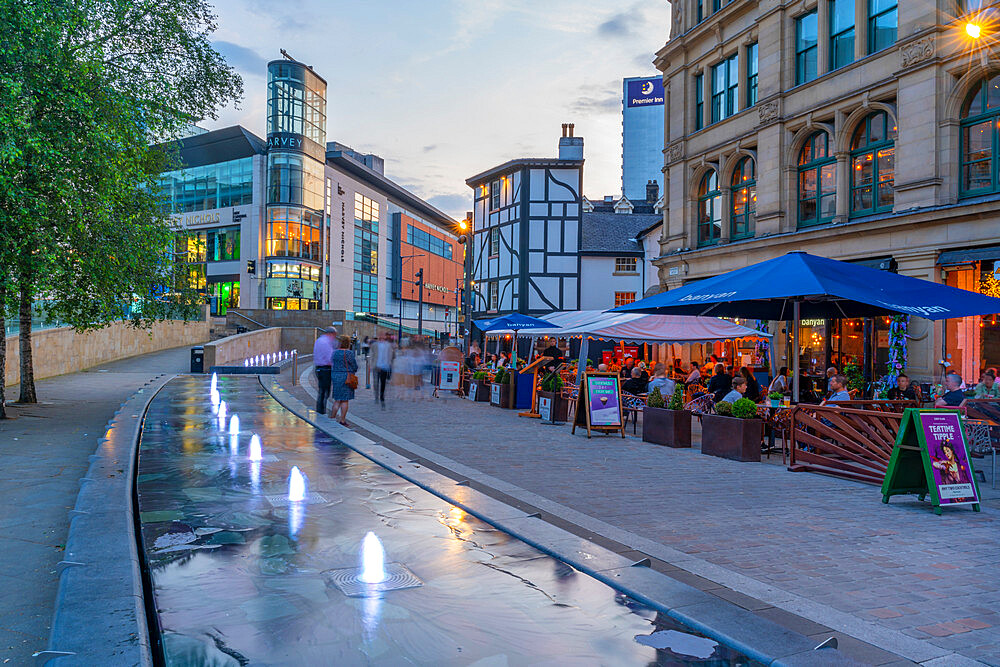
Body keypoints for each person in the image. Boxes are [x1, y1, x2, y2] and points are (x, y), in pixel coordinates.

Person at [329, 335, 358, 425]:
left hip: (335, 375)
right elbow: (354, 365)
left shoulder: (334, 353)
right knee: (345, 400)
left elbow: (332, 362)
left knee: (337, 399)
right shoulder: (349, 353)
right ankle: (342, 420)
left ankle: (332, 417)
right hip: (346, 376)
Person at [312, 326, 337, 413]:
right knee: (325, 391)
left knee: (321, 390)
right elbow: (330, 357)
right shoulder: (326, 342)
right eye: (334, 334)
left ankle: (320, 409)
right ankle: (321, 410)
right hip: (325, 369)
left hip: (319, 367)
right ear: (331, 333)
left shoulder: (319, 340)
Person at [372, 332, 394, 409]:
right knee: (376, 382)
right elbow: (372, 354)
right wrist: (370, 364)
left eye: (383, 335)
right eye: (380, 335)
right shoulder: (375, 345)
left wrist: (389, 363)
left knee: (383, 382)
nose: (381, 336)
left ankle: (382, 396)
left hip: (384, 366)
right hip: (376, 365)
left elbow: (390, 355)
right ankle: (376, 396)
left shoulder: (388, 345)